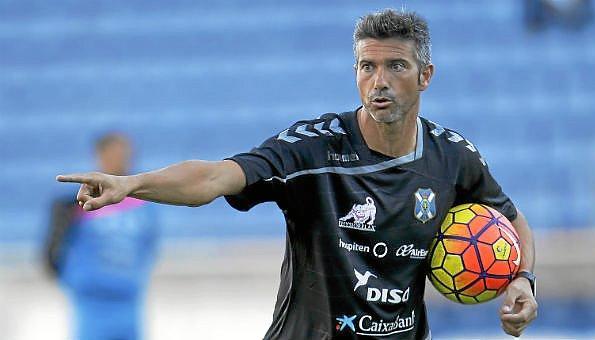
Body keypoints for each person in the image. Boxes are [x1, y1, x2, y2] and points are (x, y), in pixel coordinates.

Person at [57, 9, 537, 339]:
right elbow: (213, 178)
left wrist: (523, 279)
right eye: (367, 66)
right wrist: (130, 184)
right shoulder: (313, 148)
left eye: (396, 65)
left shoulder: (451, 156)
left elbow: (511, 222)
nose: (380, 81)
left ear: (426, 75)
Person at [47, 133, 158, 340]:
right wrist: (77, 280)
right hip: (91, 302)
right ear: (99, 155)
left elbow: (149, 245)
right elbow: (52, 250)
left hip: (128, 300)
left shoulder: (143, 204)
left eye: (125, 154)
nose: (122, 159)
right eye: (115, 154)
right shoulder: (76, 203)